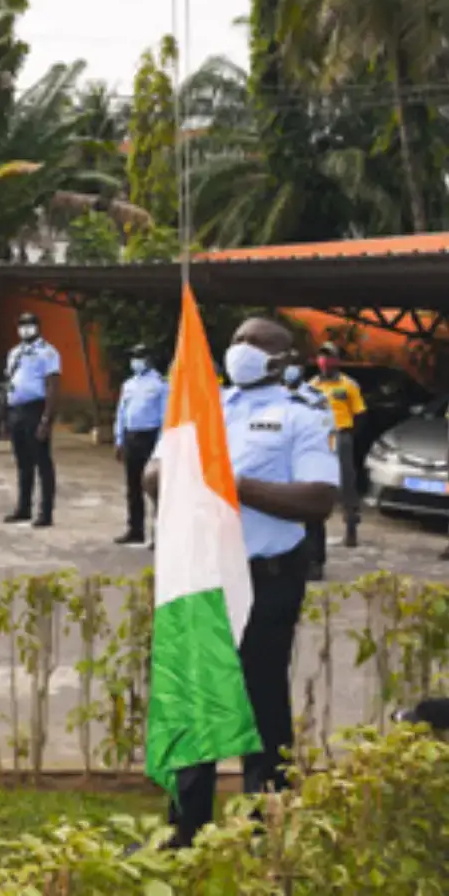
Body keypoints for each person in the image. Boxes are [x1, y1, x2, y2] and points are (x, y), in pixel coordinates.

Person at [142, 315, 338, 850]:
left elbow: (319, 500)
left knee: (260, 704)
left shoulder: (301, 415)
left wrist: (231, 484)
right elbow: (153, 477)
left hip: (267, 580)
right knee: (195, 699)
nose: (242, 349)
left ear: (281, 359)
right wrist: (183, 474)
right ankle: (185, 830)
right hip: (202, 575)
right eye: (237, 339)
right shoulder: (201, 406)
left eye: (256, 343)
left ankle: (263, 830)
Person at [306, 342, 365, 576]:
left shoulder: (348, 385)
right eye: (322, 357)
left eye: (329, 357)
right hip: (319, 437)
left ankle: (351, 524)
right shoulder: (312, 385)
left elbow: (360, 414)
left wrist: (348, 435)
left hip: (340, 434)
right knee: (317, 482)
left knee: (345, 482)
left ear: (337, 360)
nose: (325, 362)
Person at [3, 312, 59, 528]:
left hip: (36, 409)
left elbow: (53, 386)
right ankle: (23, 507)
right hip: (16, 409)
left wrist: (47, 419)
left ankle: (45, 512)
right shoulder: (14, 353)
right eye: (22, 324)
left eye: (30, 325)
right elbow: (9, 381)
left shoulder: (48, 353)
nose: (25, 329)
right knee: (23, 462)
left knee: (42, 462)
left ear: (38, 327)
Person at [113, 344, 168, 546]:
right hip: (130, 437)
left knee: (154, 487)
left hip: (150, 437)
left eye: (139, 357)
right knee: (132, 486)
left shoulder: (160, 384)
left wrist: (161, 446)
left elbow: (165, 416)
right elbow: (121, 413)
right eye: (133, 356)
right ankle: (135, 529)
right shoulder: (128, 384)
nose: (135, 361)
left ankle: (157, 535)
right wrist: (118, 439)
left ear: (148, 359)